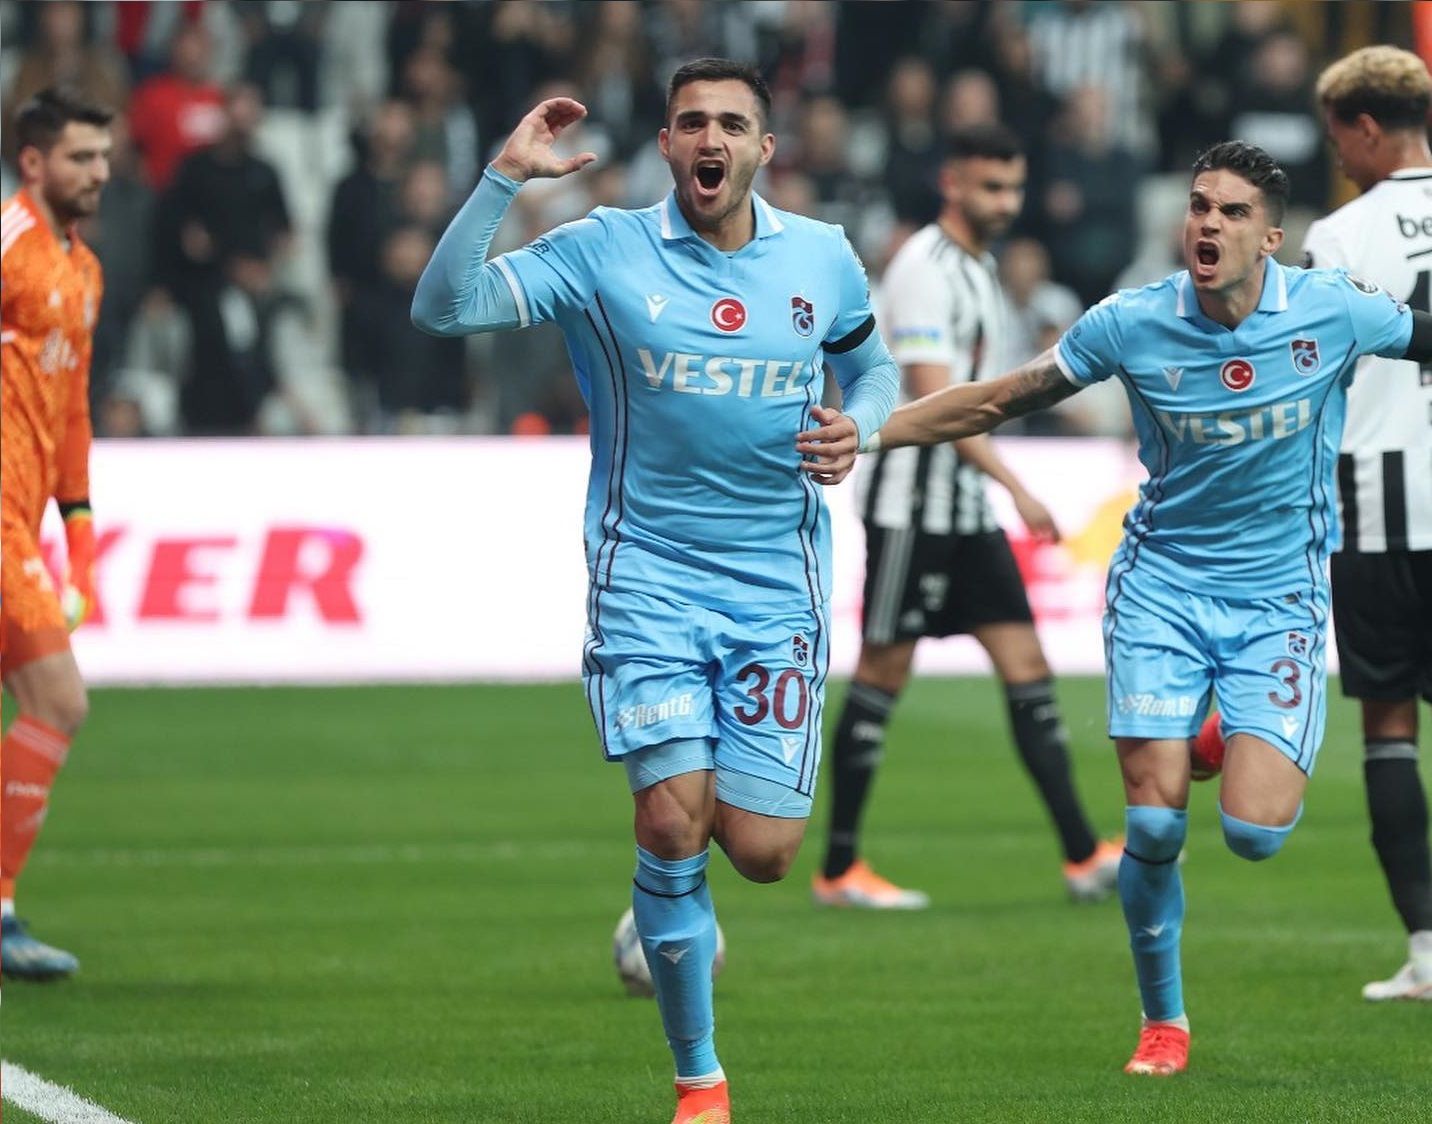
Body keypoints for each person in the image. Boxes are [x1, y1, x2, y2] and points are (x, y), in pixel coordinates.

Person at [799, 139, 1432, 1075]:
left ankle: (1211, 738)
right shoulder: (1132, 322)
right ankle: (1162, 1021)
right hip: (1162, 592)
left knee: (1256, 833)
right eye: (1198, 206)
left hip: (1279, 600)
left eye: (1230, 213)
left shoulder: (1332, 311)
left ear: (1272, 235)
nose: (1207, 224)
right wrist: (874, 431)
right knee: (1155, 825)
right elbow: (1000, 399)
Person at [412, 59, 898, 1123]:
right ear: (669, 147)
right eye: (690, 123)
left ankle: (667, 906)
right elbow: (443, 307)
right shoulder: (602, 250)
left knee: (762, 851)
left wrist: (857, 419)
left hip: (778, 581)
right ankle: (699, 1079)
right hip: (649, 579)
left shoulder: (821, 256)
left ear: (767, 148)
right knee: (672, 822)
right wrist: (502, 178)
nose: (709, 138)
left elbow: (872, 367)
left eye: (731, 122)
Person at [814, 124, 1121, 913]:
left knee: (1028, 667)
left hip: (963, 504)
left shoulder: (979, 270)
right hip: (912, 505)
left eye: (1014, 188)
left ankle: (1084, 856)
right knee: (883, 673)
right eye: (991, 187)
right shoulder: (925, 268)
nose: (1007, 203)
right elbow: (930, 396)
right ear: (952, 183)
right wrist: (1017, 485)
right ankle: (839, 867)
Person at [1304, 44, 1432, 1002]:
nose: (1339, 153)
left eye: (1338, 135)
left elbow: (1313, 378)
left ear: (1365, 127)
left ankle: (1429, 953)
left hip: (1382, 508)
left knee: (1389, 729)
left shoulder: (1340, 235)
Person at [1, 87, 112, 980]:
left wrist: (78, 542)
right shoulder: (7, 247)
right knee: (58, 700)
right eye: (80, 157)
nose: (100, 171)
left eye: (103, 156)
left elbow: (71, 415)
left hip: (23, 520)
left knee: (51, 705)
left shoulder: (83, 270)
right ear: (33, 162)